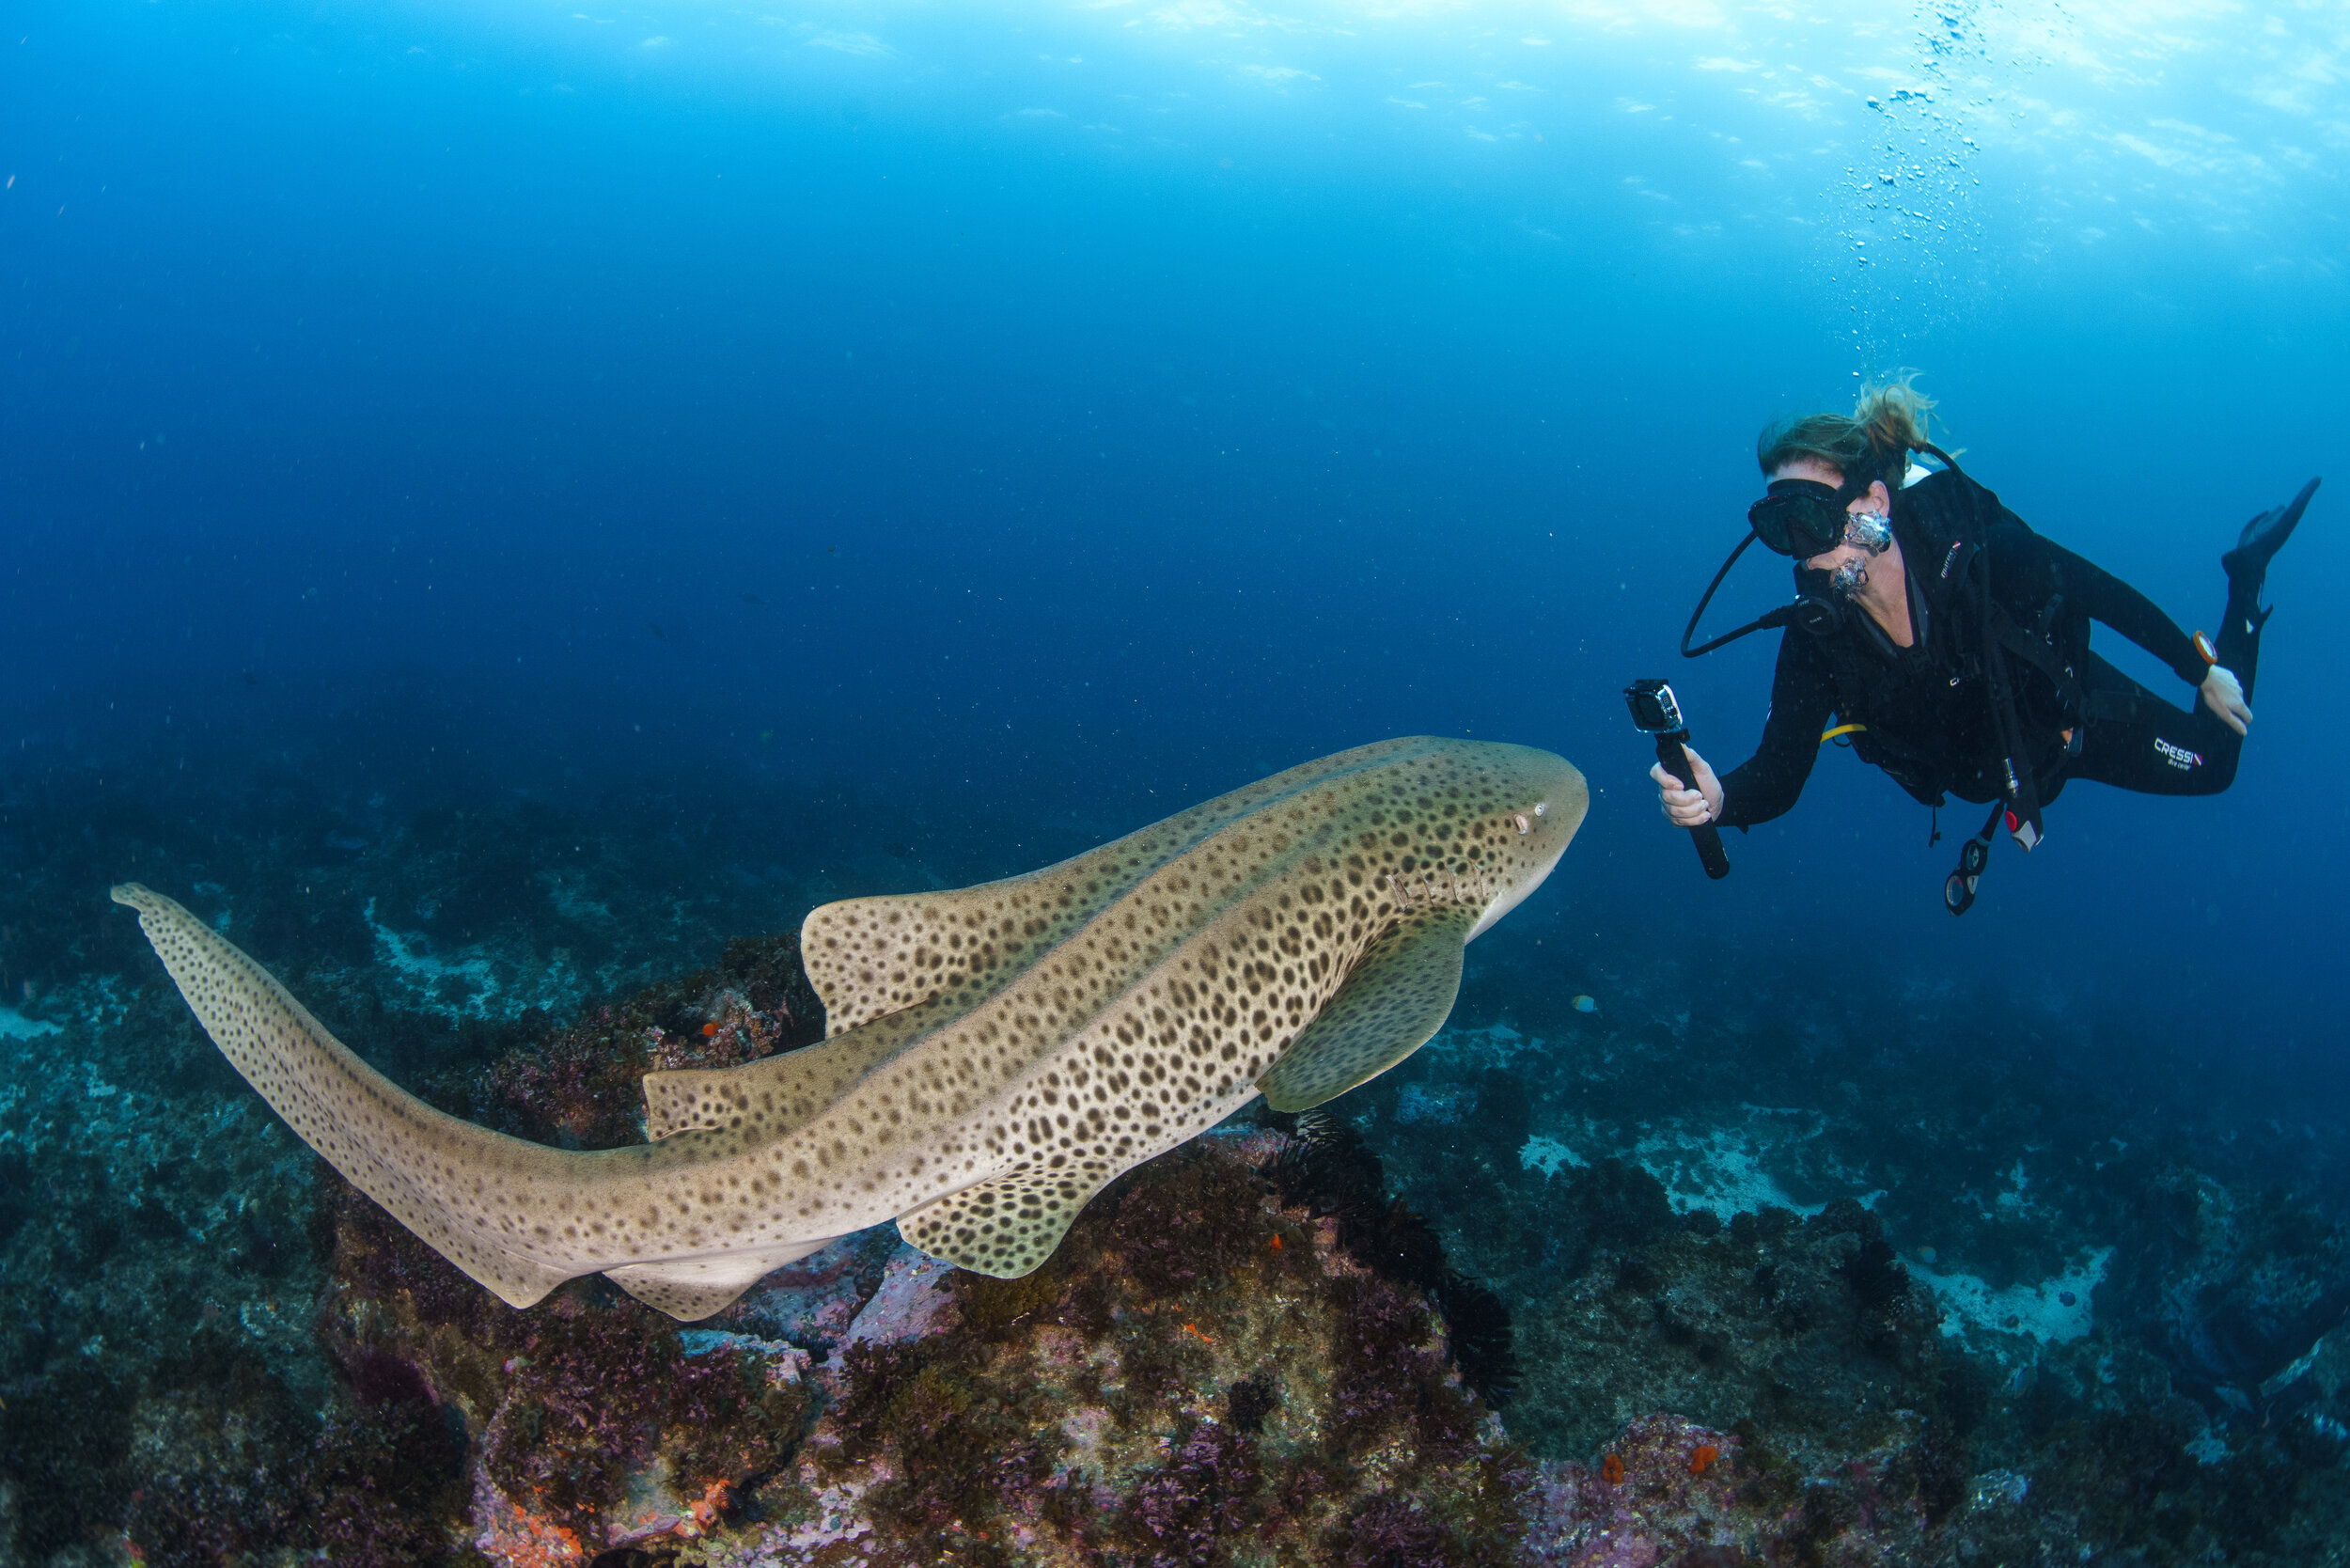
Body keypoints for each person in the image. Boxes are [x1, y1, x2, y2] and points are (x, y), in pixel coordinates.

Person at [1652, 378, 2318, 897]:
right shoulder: (1816, 644)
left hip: (2074, 721)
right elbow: (1780, 772)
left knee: (2217, 767)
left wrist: (2198, 669)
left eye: (1810, 522)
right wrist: (1722, 797)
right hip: (1996, 770)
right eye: (1779, 531)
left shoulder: (1983, 560)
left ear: (1874, 507)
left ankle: (2246, 578)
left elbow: (2097, 591)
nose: (1802, 557)